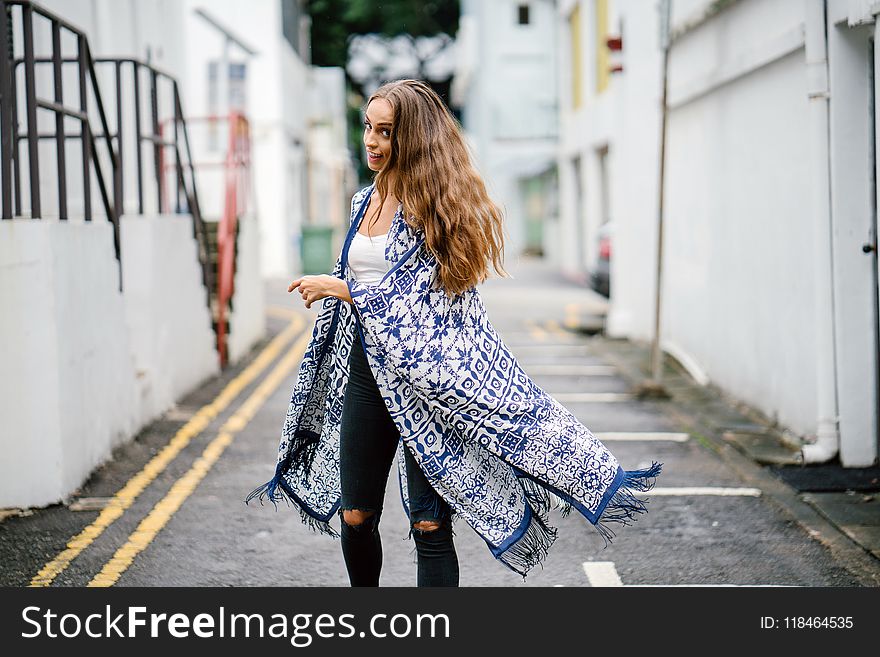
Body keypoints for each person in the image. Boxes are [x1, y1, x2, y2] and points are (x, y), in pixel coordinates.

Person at [247, 79, 661, 587]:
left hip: (433, 383)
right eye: (368, 129)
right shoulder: (362, 202)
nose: (372, 143)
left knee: (430, 524)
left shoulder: (434, 211)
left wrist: (342, 289)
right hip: (367, 372)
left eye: (386, 132)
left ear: (414, 139)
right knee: (355, 516)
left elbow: (421, 305)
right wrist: (346, 292)